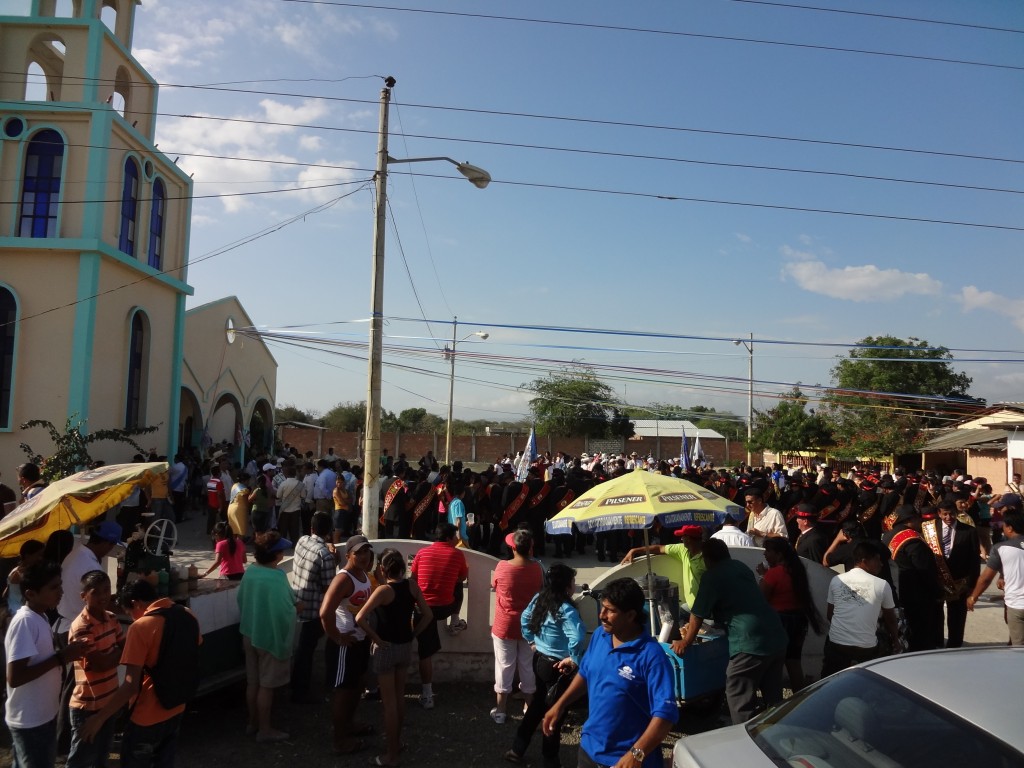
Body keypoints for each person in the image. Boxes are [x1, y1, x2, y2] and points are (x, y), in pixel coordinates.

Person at [543, 577, 677, 768]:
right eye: (602, 607)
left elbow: (665, 715)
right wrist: (560, 705)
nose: (602, 615)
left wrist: (637, 754)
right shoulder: (600, 635)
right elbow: (586, 673)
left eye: (610, 610)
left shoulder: (652, 657)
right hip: (589, 751)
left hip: (626, 761)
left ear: (631, 615)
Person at [79, 579, 201, 767]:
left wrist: (99, 718)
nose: (132, 617)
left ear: (135, 603)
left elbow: (130, 685)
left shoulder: (141, 627)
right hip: (177, 707)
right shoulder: (187, 614)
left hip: (147, 715)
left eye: (129, 612)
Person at [673, 539, 787, 725]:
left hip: (749, 641)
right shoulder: (740, 567)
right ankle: (779, 733)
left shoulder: (712, 576)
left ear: (707, 559)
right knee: (774, 696)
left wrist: (685, 642)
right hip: (775, 634)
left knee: (738, 692)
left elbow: (697, 614)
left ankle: (744, 740)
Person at [4, 562, 89, 768]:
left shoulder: (39, 616)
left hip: (42, 715)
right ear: (31, 594)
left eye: (60, 585)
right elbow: (15, 677)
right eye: (54, 587)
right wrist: (61, 658)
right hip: (31, 721)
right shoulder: (25, 622)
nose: (60, 592)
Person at [355, 549, 433, 768]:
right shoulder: (412, 586)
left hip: (386, 648)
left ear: (382, 568)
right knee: (399, 698)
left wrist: (376, 639)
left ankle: (391, 755)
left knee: (389, 704)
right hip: (405, 646)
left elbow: (360, 618)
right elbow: (428, 615)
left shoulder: (383, 591)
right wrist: (414, 634)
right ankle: (396, 744)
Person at [505, 563, 586, 768]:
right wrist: (575, 660)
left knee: (538, 705)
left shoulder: (540, 598)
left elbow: (525, 619)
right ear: (567, 585)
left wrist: (532, 641)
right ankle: (550, 760)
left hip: (540, 659)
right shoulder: (566, 609)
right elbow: (576, 637)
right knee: (556, 713)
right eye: (572, 581)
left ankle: (517, 748)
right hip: (559, 667)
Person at [237, 531, 296, 742]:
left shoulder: (250, 572)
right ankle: (265, 729)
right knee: (266, 686)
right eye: (280, 550)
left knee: (252, 683)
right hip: (269, 636)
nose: (282, 553)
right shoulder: (277, 576)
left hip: (249, 632)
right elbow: (287, 605)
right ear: (276, 555)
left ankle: (252, 723)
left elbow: (240, 598)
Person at [320, 535, 375, 755]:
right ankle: (339, 740)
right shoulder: (343, 579)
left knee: (356, 687)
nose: (363, 556)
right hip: (345, 644)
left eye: (366, 551)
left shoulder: (363, 574)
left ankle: (350, 725)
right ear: (348, 555)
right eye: (359, 552)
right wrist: (337, 637)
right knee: (344, 692)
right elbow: (325, 612)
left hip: (360, 641)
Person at [67, 570, 125, 768]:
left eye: (106, 590)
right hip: (87, 706)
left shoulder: (112, 618)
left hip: (109, 702)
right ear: (84, 596)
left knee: (102, 757)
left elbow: (124, 650)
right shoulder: (81, 626)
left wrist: (113, 655)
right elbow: (100, 664)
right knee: (80, 760)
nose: (103, 596)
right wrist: (116, 653)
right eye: (96, 592)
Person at [411, 523, 469, 709]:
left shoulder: (421, 553)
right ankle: (454, 620)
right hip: (445, 607)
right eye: (455, 537)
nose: (457, 540)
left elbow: (413, 578)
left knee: (424, 653)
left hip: (423, 608)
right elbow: (461, 578)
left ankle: (427, 694)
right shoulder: (457, 554)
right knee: (458, 587)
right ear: (449, 538)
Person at [490, 529, 544, 724]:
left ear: (512, 548)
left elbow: (494, 584)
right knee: (527, 667)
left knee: (504, 666)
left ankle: (501, 709)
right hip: (529, 625)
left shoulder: (502, 566)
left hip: (505, 625)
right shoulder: (537, 568)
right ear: (530, 548)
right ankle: (529, 707)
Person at [822, 542, 900, 677]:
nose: (881, 564)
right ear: (864, 561)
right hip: (866, 648)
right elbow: (891, 620)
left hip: (836, 645)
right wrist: (896, 640)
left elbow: (830, 615)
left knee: (830, 675)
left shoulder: (836, 580)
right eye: (877, 560)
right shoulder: (882, 585)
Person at [759, 538, 823, 692]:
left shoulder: (773, 574)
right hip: (798, 622)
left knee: (774, 664)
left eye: (768, 551)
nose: (765, 555)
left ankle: (773, 699)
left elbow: (761, 598)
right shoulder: (796, 570)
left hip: (779, 622)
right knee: (793, 661)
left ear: (779, 554)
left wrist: (763, 576)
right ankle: (798, 696)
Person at [289, 512, 336, 703]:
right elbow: (329, 587)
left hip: (298, 600)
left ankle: (300, 688)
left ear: (311, 528)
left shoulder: (302, 541)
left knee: (305, 649)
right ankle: (301, 690)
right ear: (329, 531)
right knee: (309, 649)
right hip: (315, 609)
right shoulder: (324, 555)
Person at [883, 505, 943, 651]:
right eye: (918, 519)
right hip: (917, 596)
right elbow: (925, 570)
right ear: (910, 520)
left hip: (896, 590)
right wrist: (937, 592)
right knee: (920, 633)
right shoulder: (913, 540)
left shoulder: (888, 535)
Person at [968, 512, 1024, 645]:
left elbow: (986, 579)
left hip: (1017, 606)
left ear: (1009, 528)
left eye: (1004, 525)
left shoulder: (1001, 548)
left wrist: (973, 597)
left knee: (1019, 650)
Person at [621, 524, 706, 610]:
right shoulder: (682, 550)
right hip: (691, 607)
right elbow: (659, 548)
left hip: (704, 610)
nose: (681, 539)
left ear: (688, 538)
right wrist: (635, 550)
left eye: (683, 537)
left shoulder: (708, 558)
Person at [933, 498, 980, 648]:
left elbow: (974, 560)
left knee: (957, 617)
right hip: (936, 581)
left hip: (959, 582)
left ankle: (955, 645)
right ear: (939, 514)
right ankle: (937, 642)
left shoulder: (969, 531)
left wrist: (972, 585)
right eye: (945, 514)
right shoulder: (930, 530)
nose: (948, 518)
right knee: (936, 616)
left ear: (957, 513)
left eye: (952, 514)